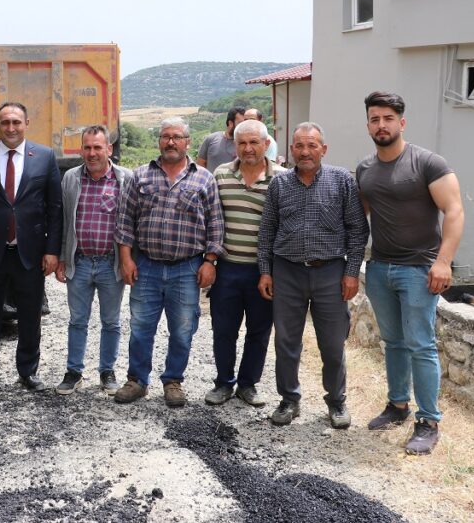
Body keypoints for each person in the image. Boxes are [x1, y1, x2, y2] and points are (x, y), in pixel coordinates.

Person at [357, 91, 463, 456]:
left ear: (401, 123)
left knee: (420, 345)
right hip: (380, 268)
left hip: (420, 269)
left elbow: (454, 210)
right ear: (368, 123)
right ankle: (397, 405)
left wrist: (444, 261)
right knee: (394, 343)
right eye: (374, 118)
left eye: (388, 118)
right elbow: (363, 218)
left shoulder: (428, 163)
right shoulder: (365, 169)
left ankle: (429, 420)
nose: (381, 125)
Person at [257, 122, 369, 429]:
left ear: (323, 149)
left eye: (312, 146)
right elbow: (267, 231)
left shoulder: (342, 181)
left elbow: (358, 230)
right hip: (287, 272)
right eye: (299, 146)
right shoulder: (279, 185)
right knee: (286, 341)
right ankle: (289, 399)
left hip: (331, 273)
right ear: (291, 149)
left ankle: (336, 401)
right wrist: (265, 272)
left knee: (333, 344)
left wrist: (350, 272)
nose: (305, 152)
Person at [114, 118, 224, 407]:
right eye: (165, 136)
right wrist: (126, 258)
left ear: (188, 142)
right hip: (146, 266)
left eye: (177, 137)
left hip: (187, 268)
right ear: (159, 141)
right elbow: (125, 221)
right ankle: (137, 380)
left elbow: (215, 224)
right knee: (140, 328)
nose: (171, 142)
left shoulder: (204, 178)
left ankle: (173, 380)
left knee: (183, 329)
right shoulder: (139, 176)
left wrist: (210, 261)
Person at [0, 102, 62, 395]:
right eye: (5, 122)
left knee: (30, 317)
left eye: (16, 122)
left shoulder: (44, 157)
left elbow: (54, 209)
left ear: (26, 123)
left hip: (30, 253)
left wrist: (52, 250)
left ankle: (28, 372)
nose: (11, 128)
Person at [204, 119, 283, 409]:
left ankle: (248, 385)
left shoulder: (282, 179)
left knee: (259, 330)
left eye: (254, 142)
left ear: (266, 144)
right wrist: (209, 260)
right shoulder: (221, 175)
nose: (248, 149)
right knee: (223, 329)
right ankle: (223, 383)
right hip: (227, 268)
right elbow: (211, 220)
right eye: (242, 143)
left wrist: (272, 271)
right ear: (234, 145)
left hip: (264, 272)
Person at [54, 125, 133, 396]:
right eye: (87, 147)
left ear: (108, 149)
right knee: (77, 320)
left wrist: (128, 261)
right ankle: (74, 371)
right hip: (81, 261)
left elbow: (132, 223)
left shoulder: (125, 179)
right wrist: (64, 259)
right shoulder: (71, 179)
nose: (92, 153)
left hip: (111, 264)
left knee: (111, 321)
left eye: (97, 147)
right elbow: (65, 221)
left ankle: (107, 371)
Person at [196, 106, 246, 172]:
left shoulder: (246, 145)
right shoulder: (211, 139)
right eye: (240, 124)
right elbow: (200, 164)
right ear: (230, 123)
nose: (244, 127)